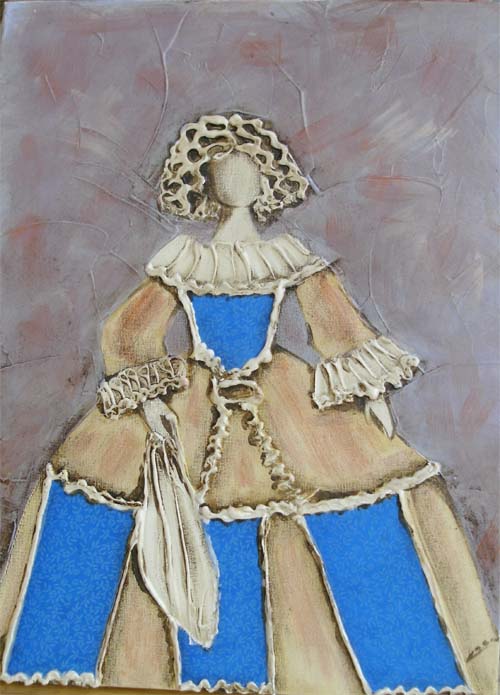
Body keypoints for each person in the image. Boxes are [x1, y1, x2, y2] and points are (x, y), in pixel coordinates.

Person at [1, 113, 497, 694]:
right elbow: (128, 333)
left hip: (281, 398)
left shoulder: (288, 257)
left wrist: (373, 395)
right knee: (128, 506)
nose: (234, 179)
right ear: (204, 182)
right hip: (192, 399)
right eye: (222, 170)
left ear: (266, 182)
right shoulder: (184, 259)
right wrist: (152, 404)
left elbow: (336, 326)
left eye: (245, 169)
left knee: (346, 504)